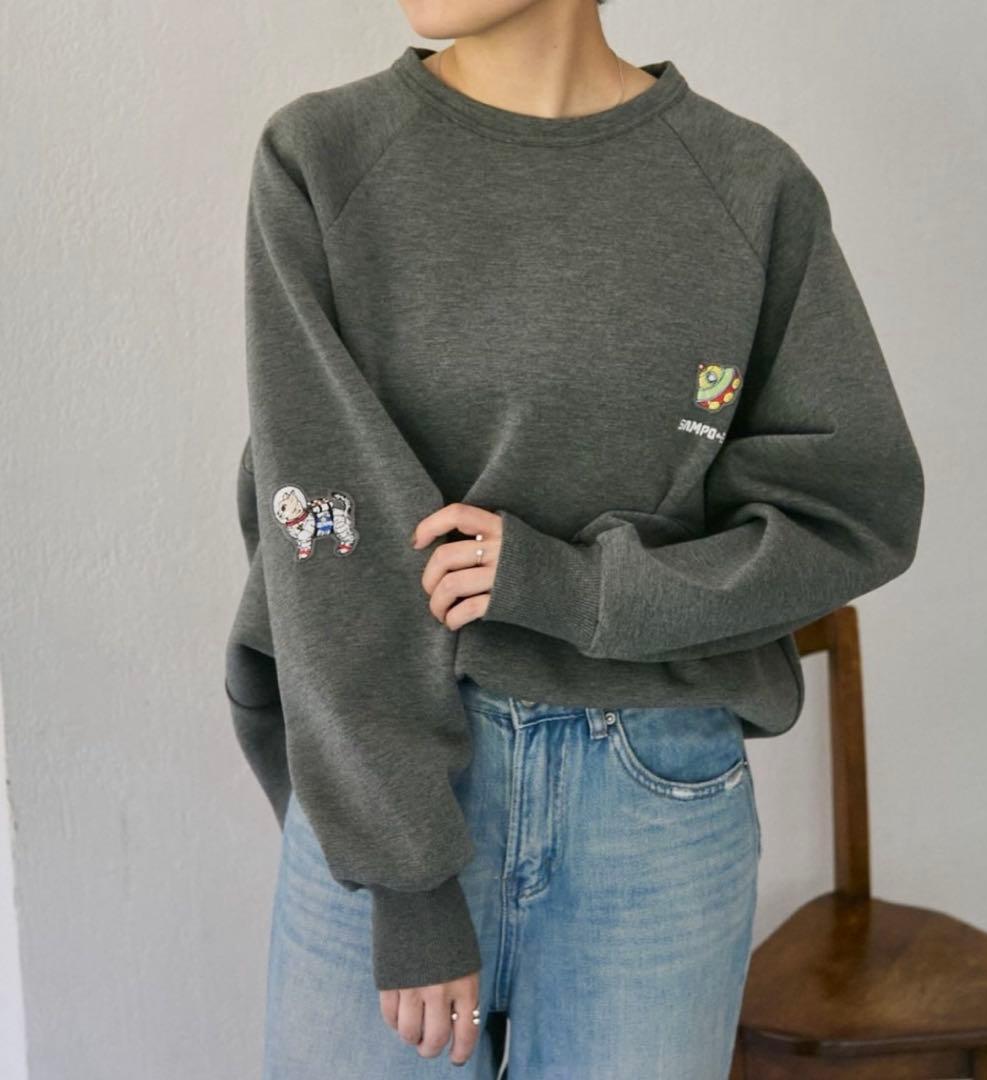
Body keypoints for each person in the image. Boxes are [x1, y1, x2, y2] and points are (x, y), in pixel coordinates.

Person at [224, 1, 925, 1076]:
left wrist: (579, 587)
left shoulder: (748, 187)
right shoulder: (323, 159)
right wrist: (408, 877)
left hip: (654, 806)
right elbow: (324, 530)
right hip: (393, 791)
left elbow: (852, 513)